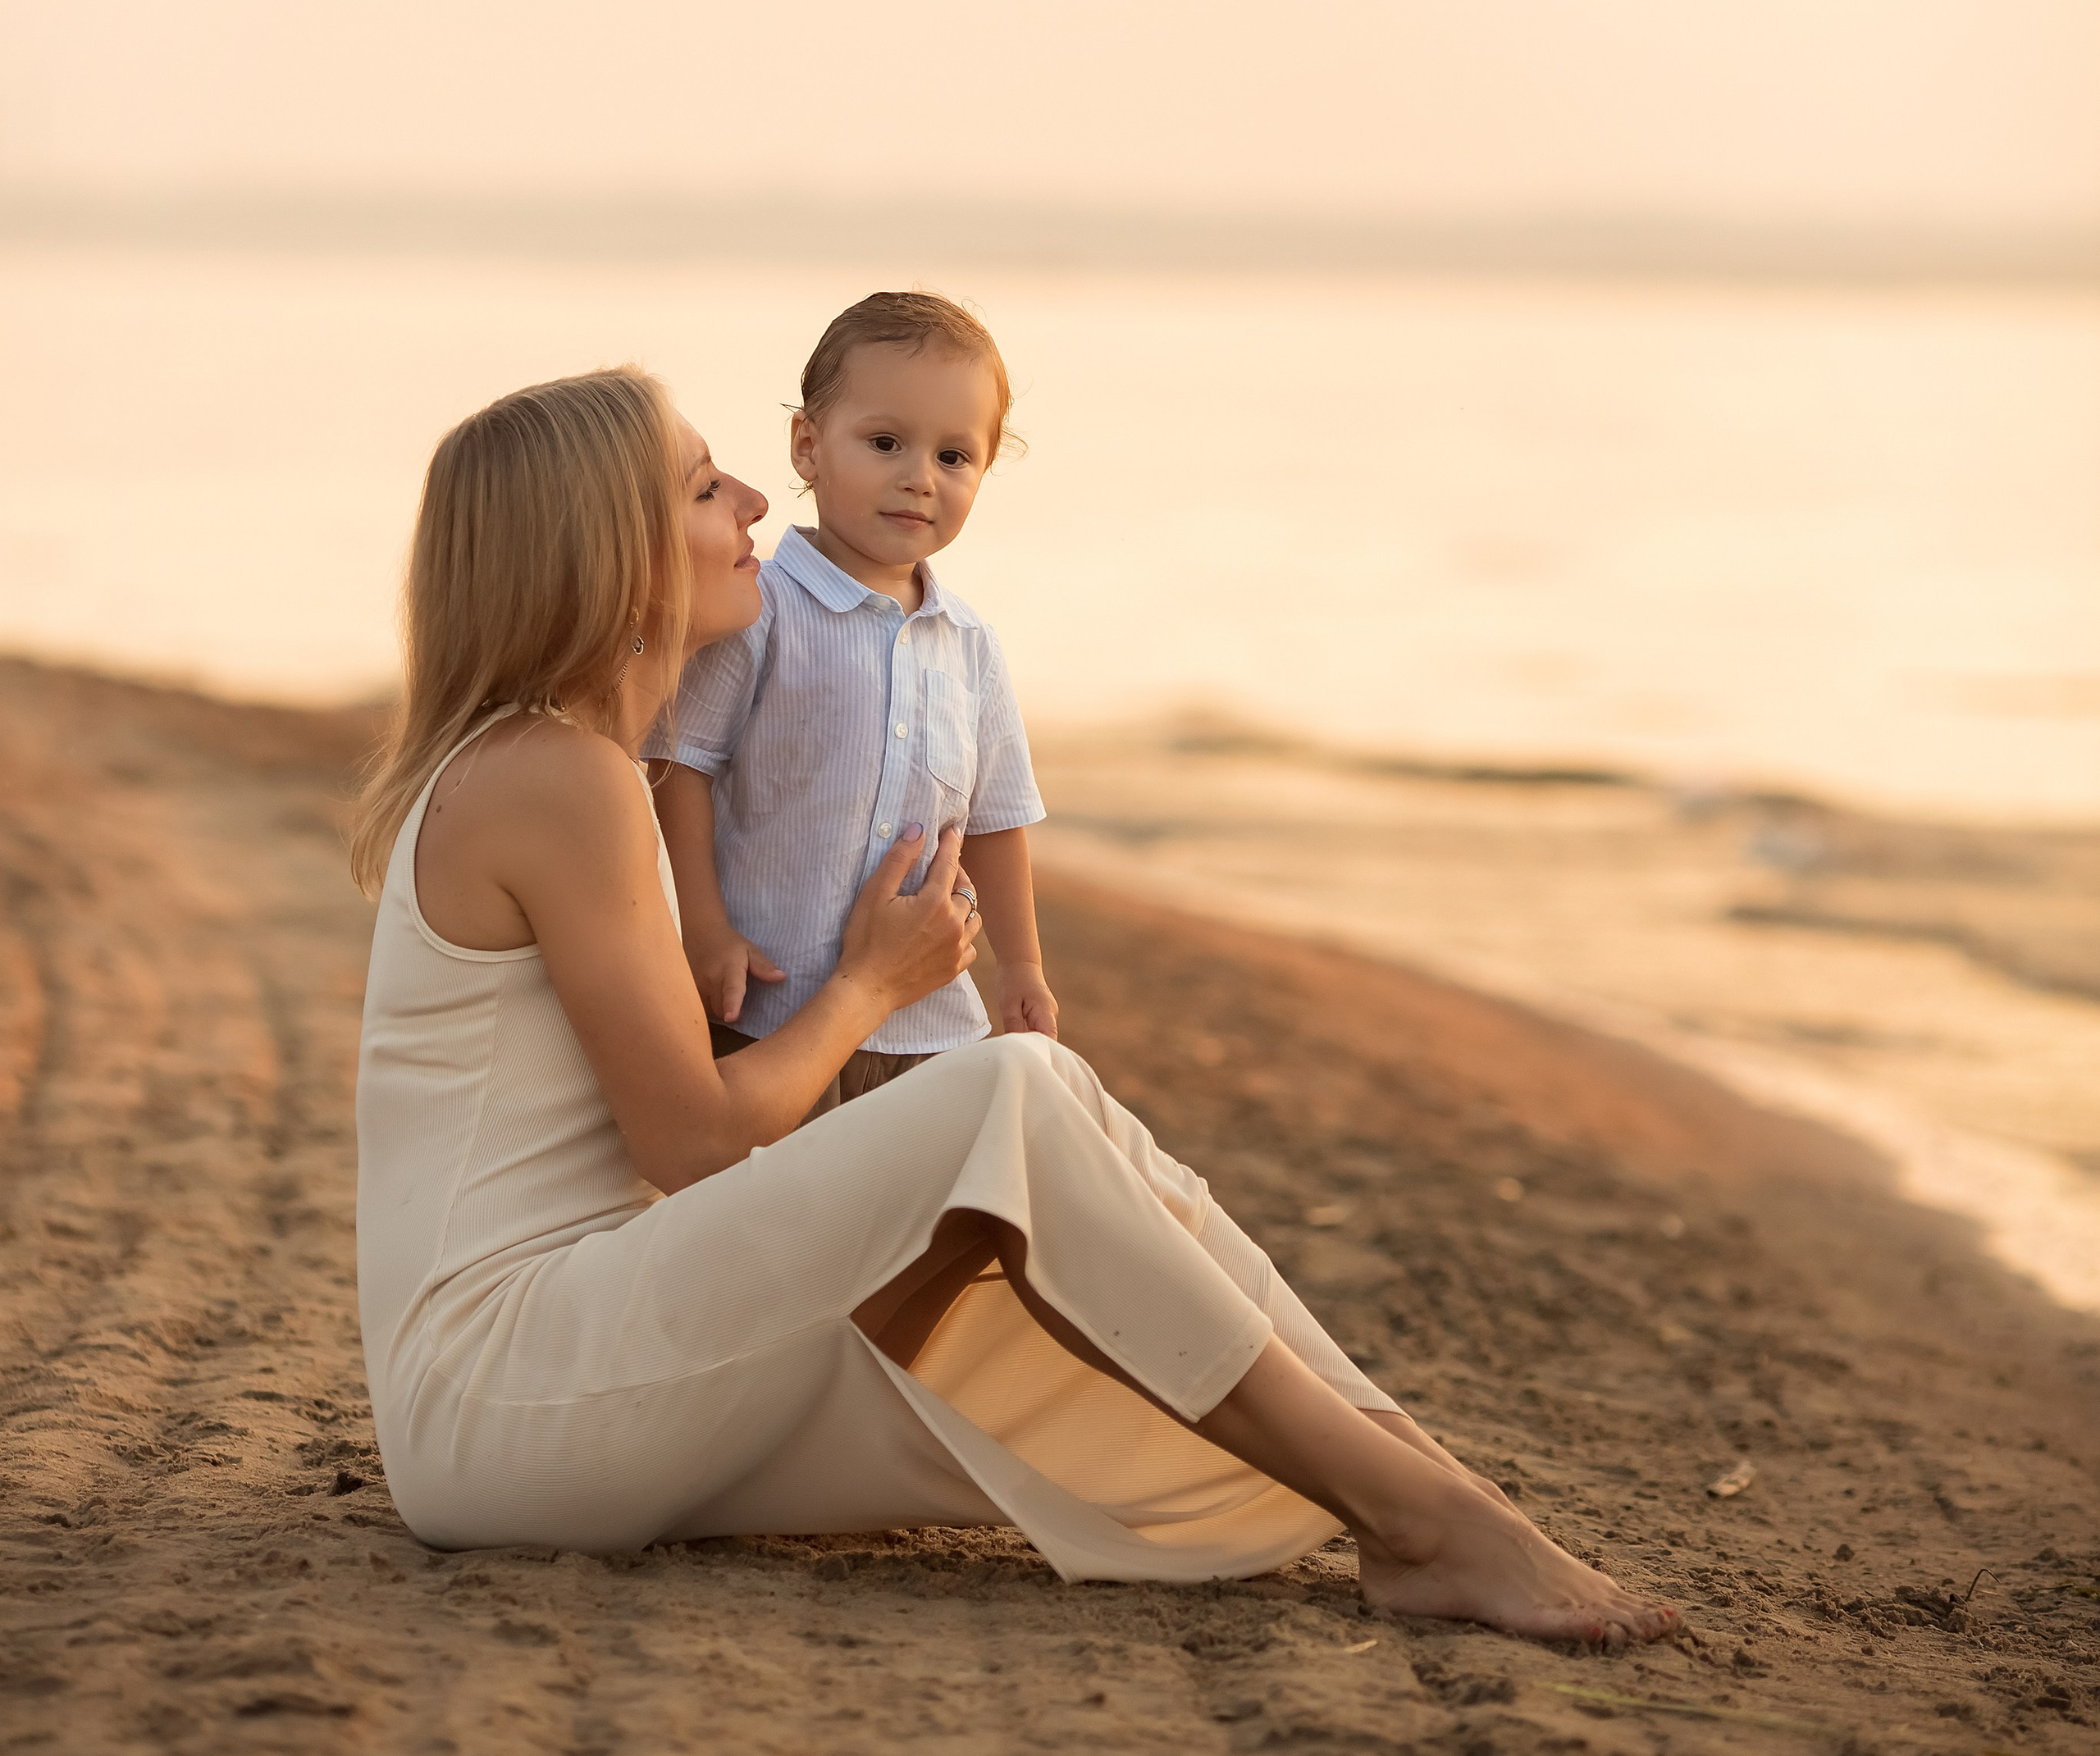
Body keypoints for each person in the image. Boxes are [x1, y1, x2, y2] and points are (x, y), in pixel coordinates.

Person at [351, 365, 1674, 1639]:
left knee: (1081, 1194)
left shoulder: (570, 771)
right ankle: (1422, 1516)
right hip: (506, 1392)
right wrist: (873, 979)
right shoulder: (553, 778)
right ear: (609, 556)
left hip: (552, 1383)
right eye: (704, 488)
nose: (756, 500)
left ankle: (1417, 1481)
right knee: (1008, 1089)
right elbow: (693, 1144)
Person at [645, 289, 1052, 1119]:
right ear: (808, 445)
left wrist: (1021, 967)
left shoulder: (969, 645)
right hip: (769, 1004)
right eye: (885, 443)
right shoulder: (761, 612)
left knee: (929, 1221)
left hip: (931, 1019)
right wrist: (703, 924)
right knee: (784, 1222)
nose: (918, 479)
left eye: (953, 457)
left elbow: (994, 816)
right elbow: (679, 764)